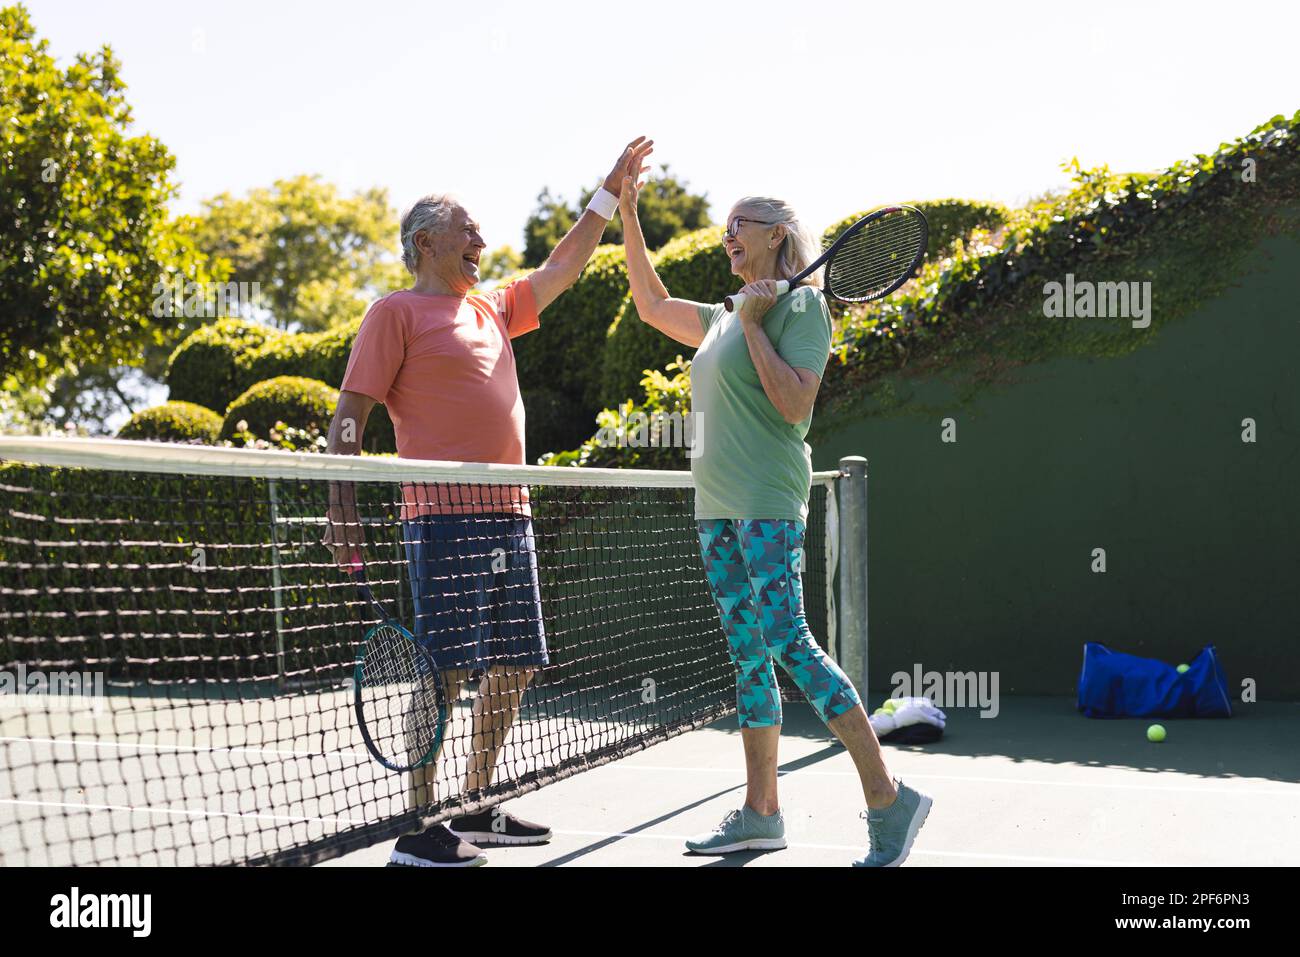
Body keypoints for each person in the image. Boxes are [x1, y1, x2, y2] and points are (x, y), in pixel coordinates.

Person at [323, 137, 655, 867]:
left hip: (513, 514)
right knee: (442, 670)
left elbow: (564, 264)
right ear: (424, 243)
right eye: (467, 229)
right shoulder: (395, 313)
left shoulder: (493, 309)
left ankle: (474, 807)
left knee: (516, 662)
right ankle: (418, 825)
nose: (482, 240)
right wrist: (339, 501)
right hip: (442, 518)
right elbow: (351, 413)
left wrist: (608, 192)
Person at [617, 178, 933, 867]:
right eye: (726, 224)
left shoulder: (802, 308)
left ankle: (888, 798)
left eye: (741, 223)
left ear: (776, 236)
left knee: (789, 640)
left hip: (766, 500)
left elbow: (793, 405)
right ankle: (762, 811)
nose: (728, 234)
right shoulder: (728, 312)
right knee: (748, 652)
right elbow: (650, 303)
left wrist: (757, 329)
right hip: (715, 505)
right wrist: (630, 214)